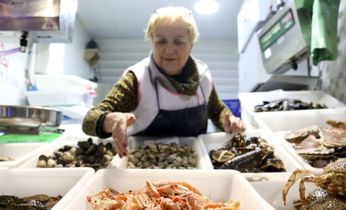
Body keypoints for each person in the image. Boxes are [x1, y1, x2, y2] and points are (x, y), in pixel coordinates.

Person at [82, 6, 245, 157]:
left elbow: (217, 110)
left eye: (178, 41)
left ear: (191, 45)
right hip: (145, 163)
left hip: (195, 161)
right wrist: (111, 120)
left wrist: (229, 120)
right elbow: (90, 120)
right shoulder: (137, 79)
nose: (169, 50)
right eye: (161, 41)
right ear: (152, 42)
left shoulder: (203, 77)